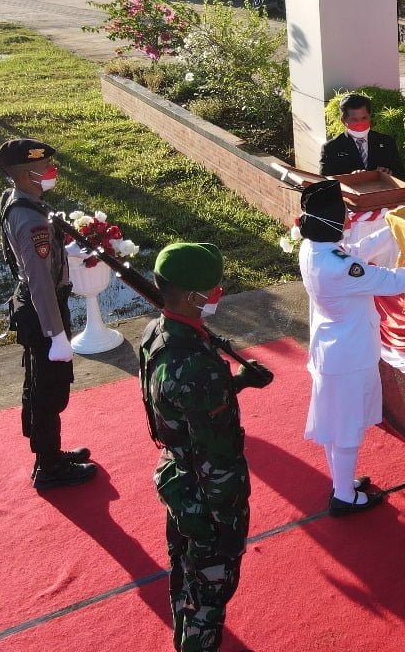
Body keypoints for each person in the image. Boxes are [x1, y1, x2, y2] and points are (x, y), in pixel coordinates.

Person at [141, 241, 270, 652]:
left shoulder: (158, 334)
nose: (218, 294)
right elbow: (218, 455)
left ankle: (185, 636)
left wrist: (236, 384)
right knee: (210, 590)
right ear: (194, 296)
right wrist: (230, 523)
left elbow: (181, 405)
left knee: (184, 572)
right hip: (205, 493)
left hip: (176, 477)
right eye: (213, 289)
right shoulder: (196, 365)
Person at [299, 180, 405, 511]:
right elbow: (399, 281)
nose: (347, 222)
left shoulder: (315, 250)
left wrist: (394, 223)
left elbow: (357, 250)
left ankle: (342, 482)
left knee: (335, 422)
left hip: (334, 349)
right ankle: (344, 498)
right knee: (347, 428)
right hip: (349, 354)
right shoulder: (340, 269)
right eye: (343, 217)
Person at [0, 137, 96, 490]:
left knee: (41, 385)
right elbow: (39, 283)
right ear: (26, 175)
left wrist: (67, 250)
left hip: (34, 306)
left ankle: (49, 453)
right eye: (46, 168)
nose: (53, 173)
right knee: (49, 390)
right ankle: (49, 466)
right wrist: (56, 335)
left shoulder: (20, 200)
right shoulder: (30, 220)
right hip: (43, 311)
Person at [319, 92, 405, 180]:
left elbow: (402, 175)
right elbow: (325, 184)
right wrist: (350, 179)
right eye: (354, 120)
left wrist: (389, 173)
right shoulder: (331, 148)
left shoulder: (387, 142)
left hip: (382, 193)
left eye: (364, 118)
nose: (360, 124)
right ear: (343, 121)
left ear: (370, 117)